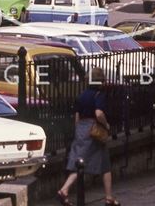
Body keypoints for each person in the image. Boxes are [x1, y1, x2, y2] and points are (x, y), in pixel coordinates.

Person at [57, 67, 120, 206]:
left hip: (81, 129)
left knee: (104, 164)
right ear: (101, 81)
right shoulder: (99, 94)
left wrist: (78, 130)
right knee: (82, 164)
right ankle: (64, 189)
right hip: (93, 130)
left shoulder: (82, 95)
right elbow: (98, 113)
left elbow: (77, 117)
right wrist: (106, 124)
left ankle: (109, 197)